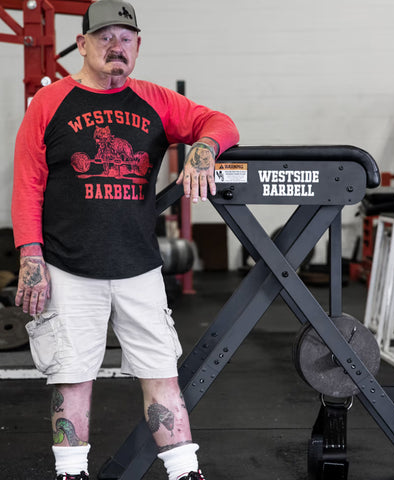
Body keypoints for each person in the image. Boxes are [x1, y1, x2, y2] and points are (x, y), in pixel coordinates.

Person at [11, 1, 239, 479]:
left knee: (162, 373)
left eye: (127, 38)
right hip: (69, 266)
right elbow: (28, 183)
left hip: (139, 265)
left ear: (138, 47)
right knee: (71, 376)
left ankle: (184, 472)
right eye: (106, 37)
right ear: (84, 44)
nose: (117, 47)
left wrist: (203, 147)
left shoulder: (155, 101)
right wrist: (30, 254)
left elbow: (221, 122)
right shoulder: (50, 104)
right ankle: (70, 473)